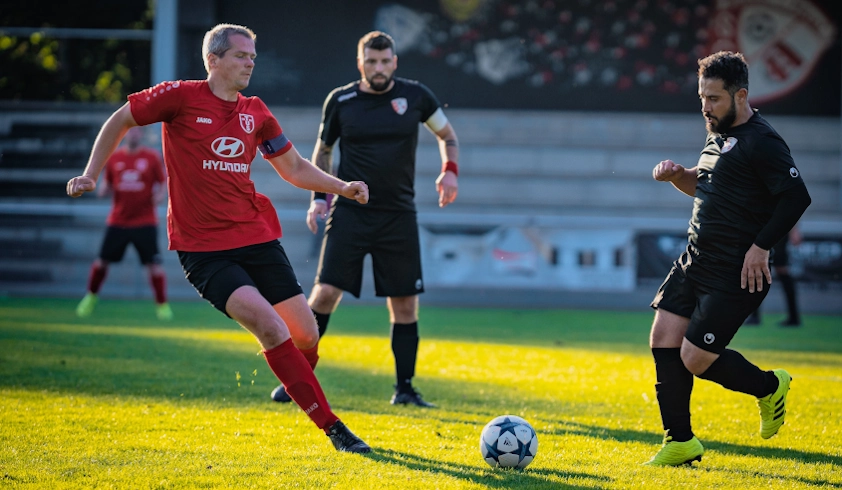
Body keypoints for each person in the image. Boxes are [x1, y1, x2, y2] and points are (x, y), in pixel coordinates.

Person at [67, 23, 372, 453]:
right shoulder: (179, 96)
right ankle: (334, 428)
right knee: (269, 326)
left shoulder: (256, 111)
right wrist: (91, 173)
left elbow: (295, 168)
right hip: (203, 250)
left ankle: (295, 383)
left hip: (256, 236)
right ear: (214, 60)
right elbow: (121, 118)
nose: (250, 63)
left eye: (252, 57)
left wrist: (341, 187)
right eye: (241, 56)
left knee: (306, 335)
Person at [270, 31, 459, 407]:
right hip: (351, 213)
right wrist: (319, 198)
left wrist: (450, 170)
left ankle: (405, 389)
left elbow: (447, 134)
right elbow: (322, 152)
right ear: (360, 64)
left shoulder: (416, 96)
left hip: (398, 215)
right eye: (371, 62)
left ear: (394, 62)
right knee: (324, 294)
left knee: (405, 303)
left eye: (385, 61)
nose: (379, 67)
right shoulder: (341, 101)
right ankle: (297, 380)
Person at [645, 51, 811, 466]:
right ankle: (679, 442)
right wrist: (677, 176)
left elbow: (796, 198)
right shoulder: (716, 132)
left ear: (741, 95)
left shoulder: (763, 141)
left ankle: (770, 387)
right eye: (702, 97)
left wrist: (761, 247)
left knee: (696, 359)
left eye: (714, 98)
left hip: (735, 270)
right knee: (663, 339)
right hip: (695, 257)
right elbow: (706, 187)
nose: (705, 106)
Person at [75, 127, 173, 320]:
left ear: (142, 135)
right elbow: (107, 185)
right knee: (101, 262)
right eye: (131, 131)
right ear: (125, 134)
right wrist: (101, 190)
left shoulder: (152, 157)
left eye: (137, 132)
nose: (134, 134)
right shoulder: (114, 158)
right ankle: (91, 297)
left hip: (145, 221)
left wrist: (160, 194)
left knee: (154, 265)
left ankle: (162, 306)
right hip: (118, 221)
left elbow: (163, 182)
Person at [743, 225, 803, 327]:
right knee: (758, 269)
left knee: (781, 269)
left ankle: (794, 317)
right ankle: (754, 315)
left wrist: (794, 230)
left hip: (777, 228)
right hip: (762, 227)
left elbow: (788, 209)